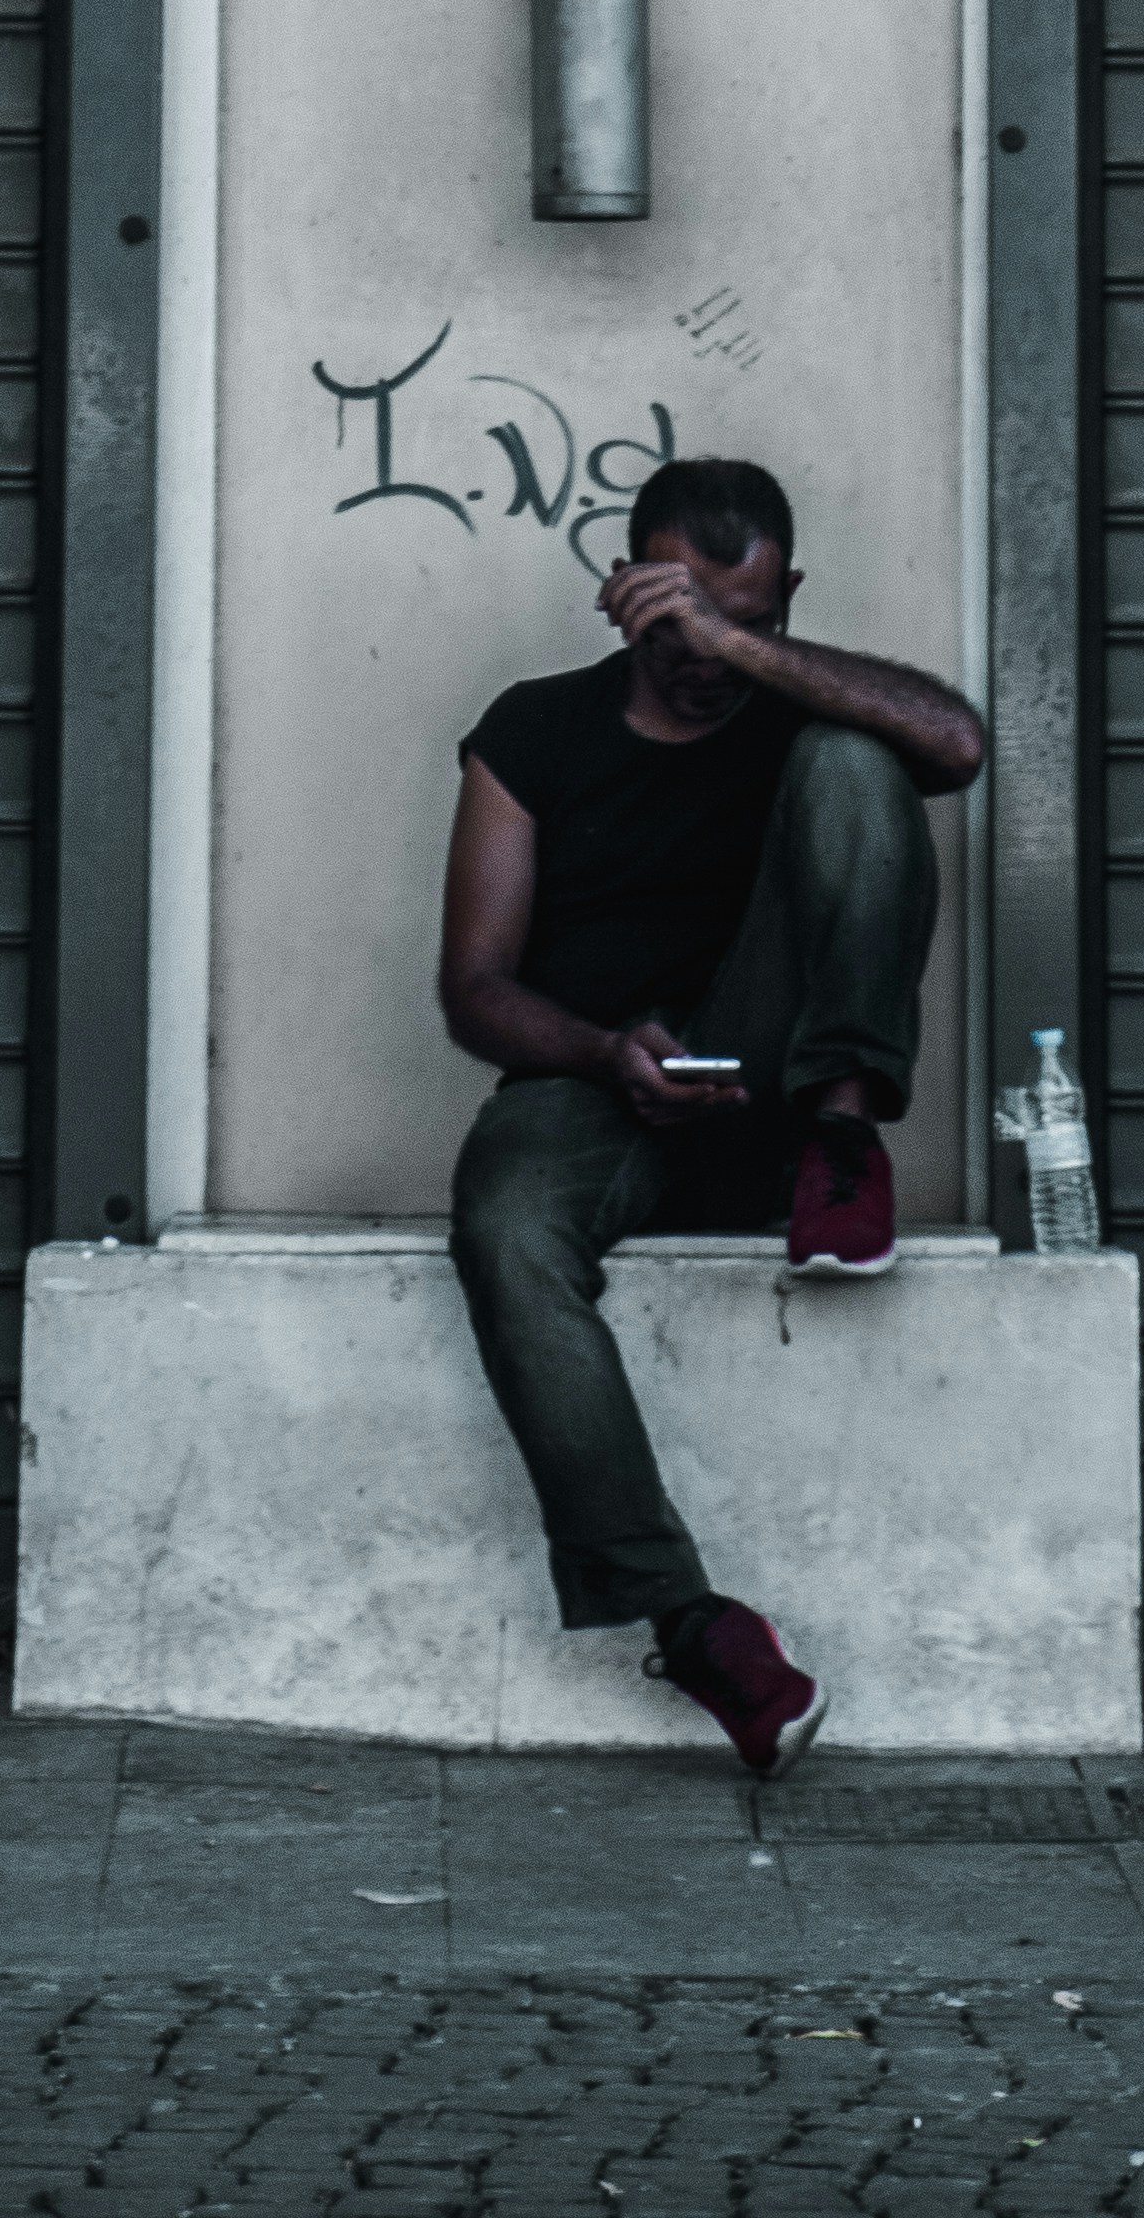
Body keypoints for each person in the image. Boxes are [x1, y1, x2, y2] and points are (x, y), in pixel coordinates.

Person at [438, 451, 987, 1775]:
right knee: (505, 1223)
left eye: (745, 616)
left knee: (864, 757)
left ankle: (849, 1141)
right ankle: (691, 1624)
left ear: (784, 597)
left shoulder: (795, 712)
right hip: (599, 1087)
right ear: (622, 592)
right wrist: (603, 1048)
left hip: (784, 1085)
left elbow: (957, 745)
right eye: (673, 618)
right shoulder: (533, 732)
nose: (698, 655)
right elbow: (472, 990)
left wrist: (744, 652)